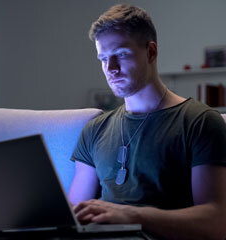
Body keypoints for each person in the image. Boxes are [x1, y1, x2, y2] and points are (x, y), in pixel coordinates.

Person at [69, 4, 226, 240]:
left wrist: (132, 215)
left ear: (151, 52)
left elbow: (216, 222)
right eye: (103, 58)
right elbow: (73, 214)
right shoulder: (95, 129)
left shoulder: (200, 122)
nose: (110, 68)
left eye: (120, 54)